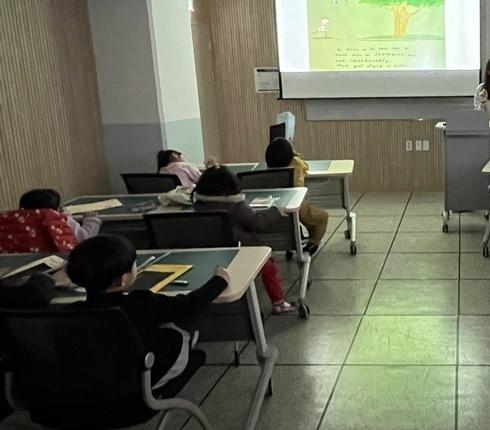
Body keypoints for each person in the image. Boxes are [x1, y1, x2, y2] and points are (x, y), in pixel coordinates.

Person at [66, 234, 230, 392]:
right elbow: (188, 307)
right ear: (121, 280)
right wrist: (219, 281)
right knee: (173, 328)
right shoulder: (141, 303)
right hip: (140, 385)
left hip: (90, 388)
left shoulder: (71, 312)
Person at [192, 166, 296, 314]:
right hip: (243, 250)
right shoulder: (236, 205)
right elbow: (256, 223)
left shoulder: (198, 205)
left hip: (211, 252)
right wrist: (275, 212)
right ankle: (278, 302)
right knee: (267, 266)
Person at [264, 137, 330, 254]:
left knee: (300, 219)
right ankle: (314, 242)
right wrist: (296, 155)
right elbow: (306, 165)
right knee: (322, 217)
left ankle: (296, 238)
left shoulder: (269, 169)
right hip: (297, 206)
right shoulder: (296, 163)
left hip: (277, 207)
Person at [0, 189, 100, 254]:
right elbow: (84, 238)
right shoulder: (58, 219)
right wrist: (91, 220)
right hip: (52, 264)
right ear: (54, 210)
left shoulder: (9, 220)